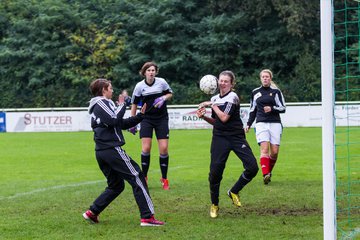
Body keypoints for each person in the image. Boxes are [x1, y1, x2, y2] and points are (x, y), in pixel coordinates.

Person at [83, 78, 164, 226]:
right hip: (111, 149)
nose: (112, 91)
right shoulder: (102, 103)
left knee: (116, 185)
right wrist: (124, 104)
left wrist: (140, 116)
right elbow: (115, 119)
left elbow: (121, 124)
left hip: (102, 151)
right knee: (137, 176)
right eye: (110, 88)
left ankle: (93, 212)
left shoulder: (102, 105)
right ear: (103, 91)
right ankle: (147, 217)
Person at [197, 70, 258, 218]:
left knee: (252, 167)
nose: (222, 83)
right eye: (221, 80)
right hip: (219, 138)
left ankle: (234, 191)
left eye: (226, 81)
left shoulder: (233, 97)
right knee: (215, 173)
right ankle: (214, 204)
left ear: (231, 84)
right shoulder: (215, 98)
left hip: (236, 137)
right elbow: (217, 121)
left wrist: (213, 104)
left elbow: (224, 118)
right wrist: (204, 116)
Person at [130, 61, 173, 190]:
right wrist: (133, 121)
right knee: (146, 148)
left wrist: (163, 98)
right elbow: (134, 104)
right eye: (148, 70)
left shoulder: (162, 82)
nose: (151, 72)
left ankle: (164, 178)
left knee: (164, 149)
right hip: (146, 119)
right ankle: (145, 177)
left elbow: (170, 93)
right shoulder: (139, 86)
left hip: (161, 119)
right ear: (144, 73)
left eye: (153, 70)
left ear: (156, 72)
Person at [245, 69, 286, 185]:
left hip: (275, 123)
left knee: (274, 152)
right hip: (261, 123)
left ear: (270, 78)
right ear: (260, 78)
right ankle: (265, 174)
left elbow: (283, 108)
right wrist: (248, 123)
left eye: (267, 77)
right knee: (264, 150)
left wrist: (272, 108)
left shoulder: (276, 92)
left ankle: (268, 172)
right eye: (263, 77)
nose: (265, 78)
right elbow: (252, 110)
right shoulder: (255, 92)